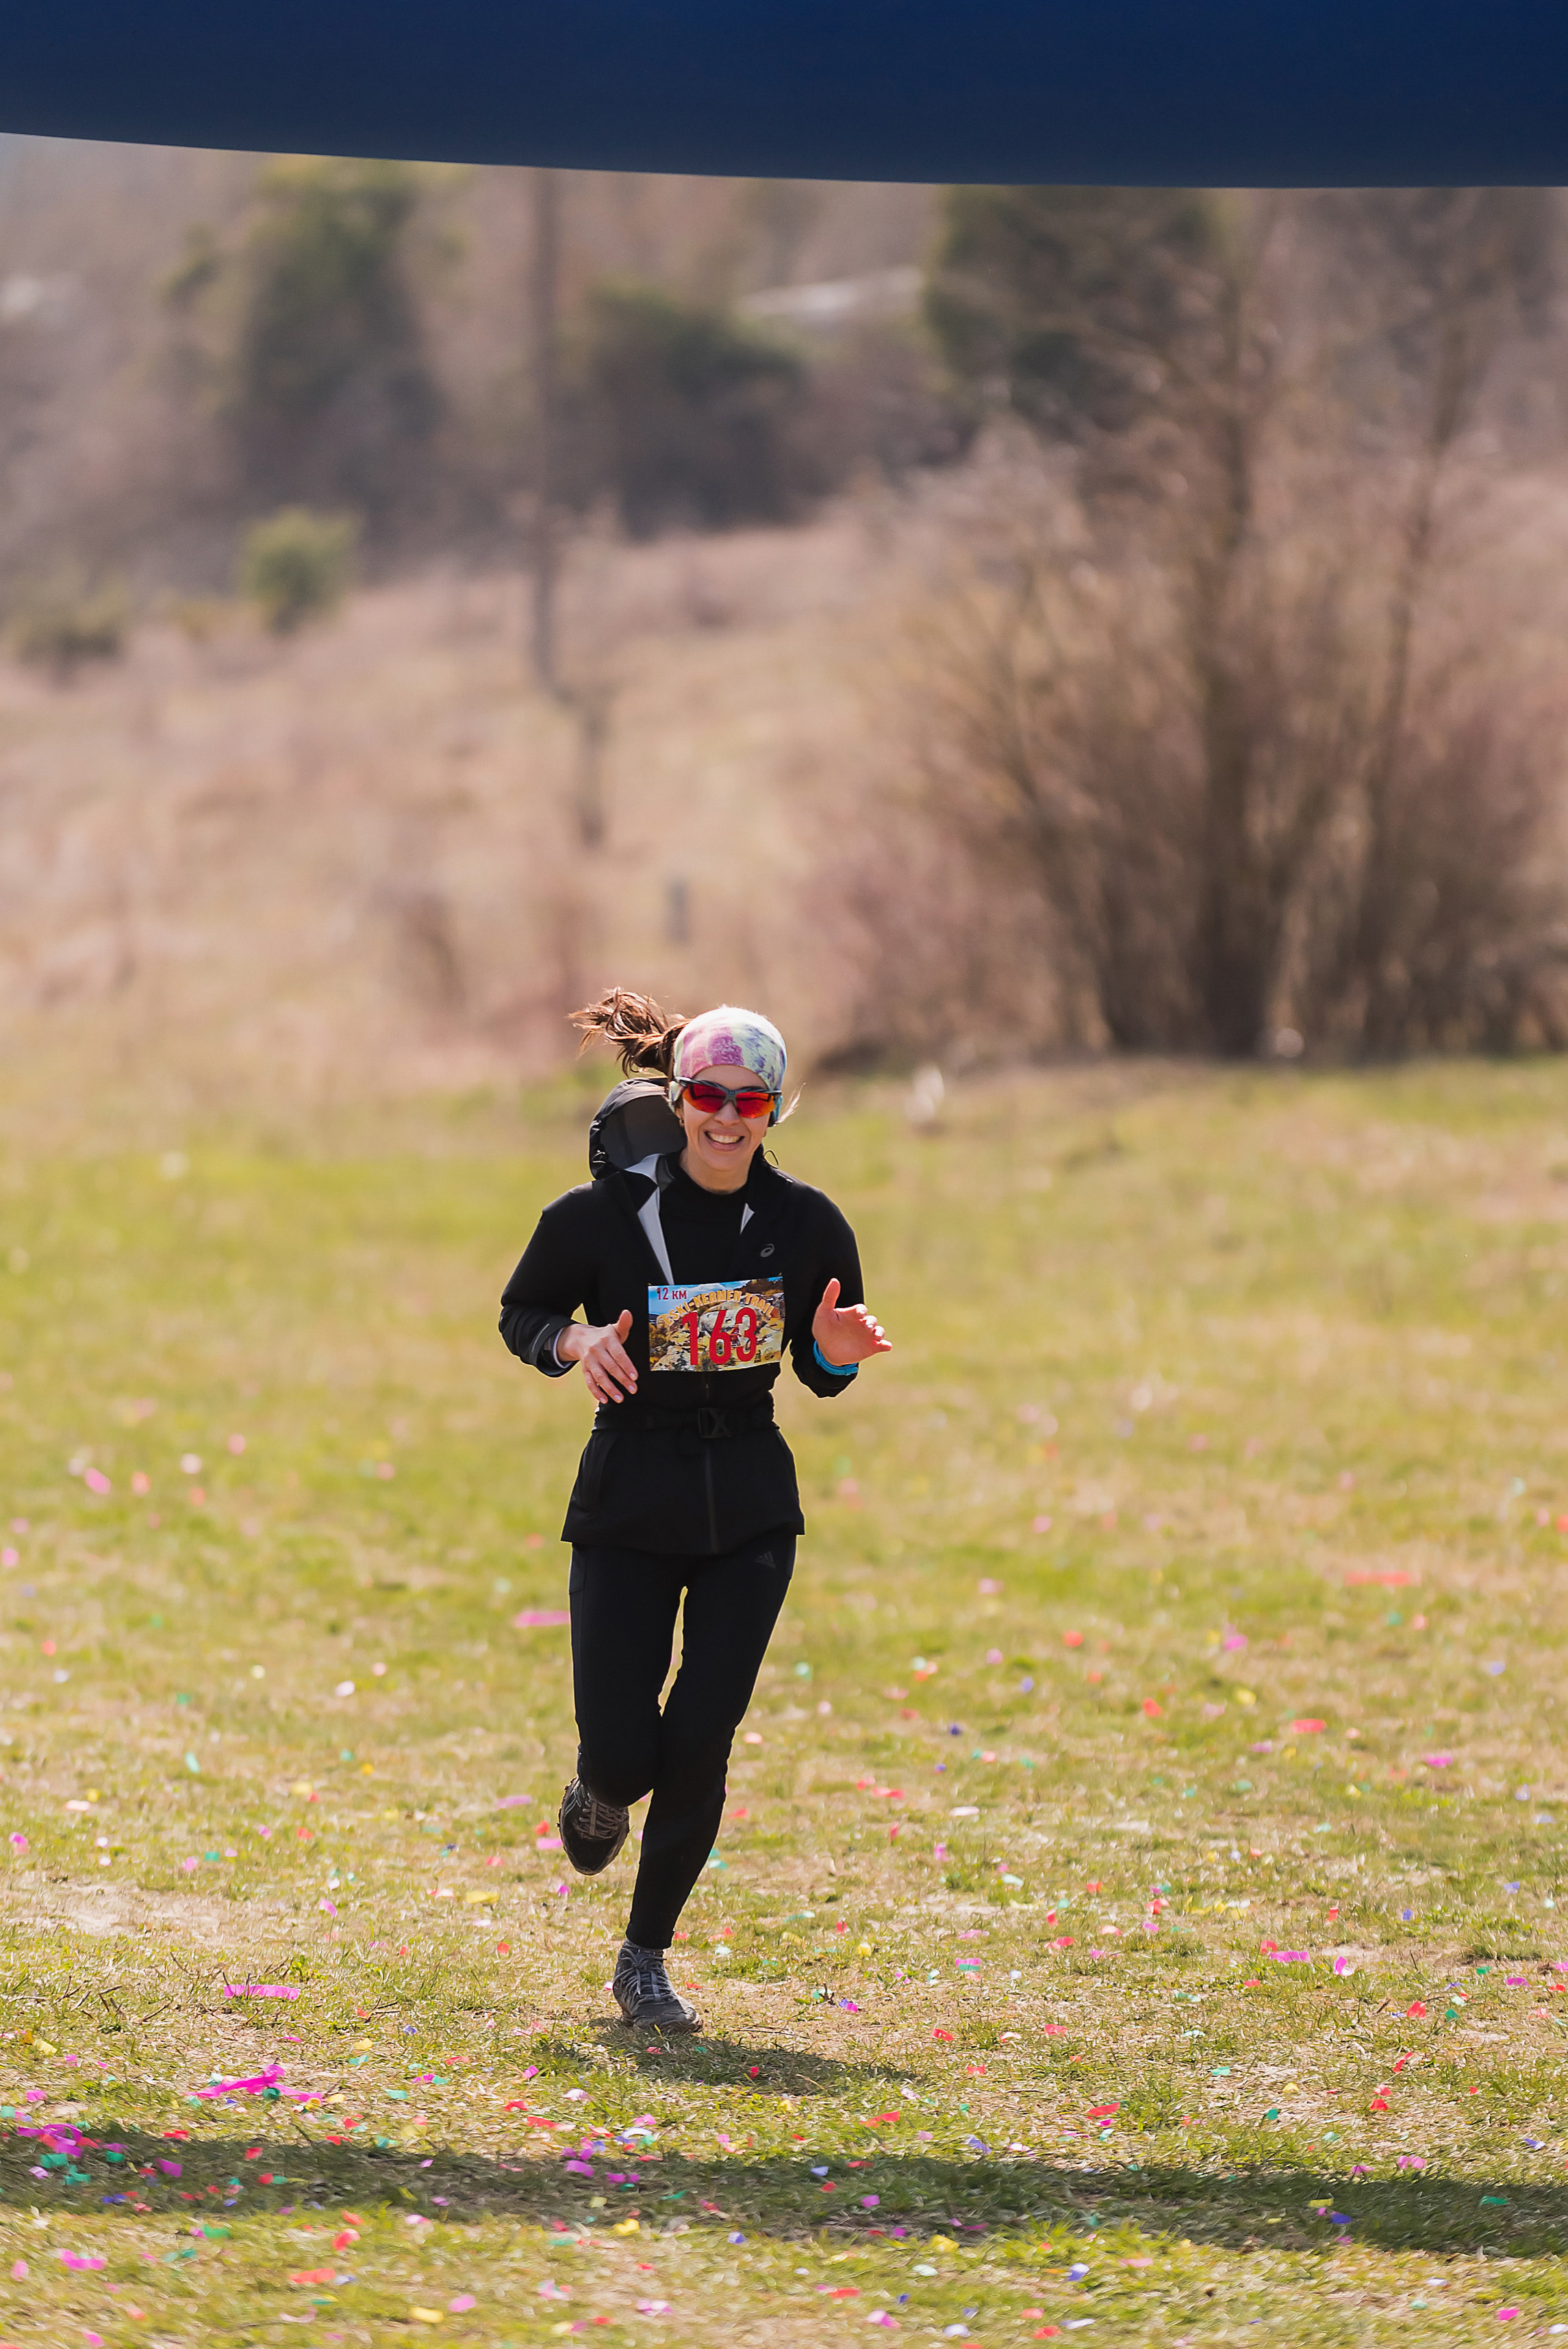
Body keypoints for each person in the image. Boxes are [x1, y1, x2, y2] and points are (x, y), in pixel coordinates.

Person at [498, 990, 890, 2032]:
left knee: (702, 1738)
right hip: (628, 1493)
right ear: (676, 1099)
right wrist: (577, 1343)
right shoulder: (597, 1216)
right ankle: (595, 1788)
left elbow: (818, 1362)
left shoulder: (808, 1223)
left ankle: (645, 1959)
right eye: (708, 1094)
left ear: (774, 1108)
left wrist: (832, 1357)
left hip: (747, 1508)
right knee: (626, 1753)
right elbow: (522, 1311)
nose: (727, 1116)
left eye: (748, 1099)